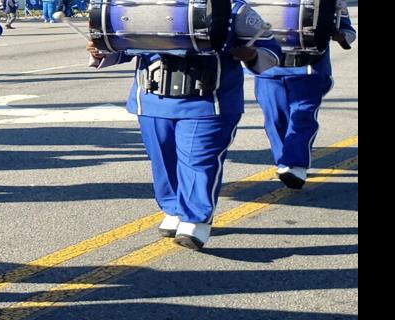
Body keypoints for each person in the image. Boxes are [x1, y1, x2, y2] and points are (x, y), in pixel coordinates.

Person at [87, 1, 282, 249]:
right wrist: (100, 51)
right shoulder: (139, 5)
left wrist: (253, 54)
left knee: (197, 159)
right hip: (152, 101)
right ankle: (173, 208)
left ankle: (195, 220)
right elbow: (124, 46)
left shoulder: (235, 10)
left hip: (208, 103)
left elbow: (271, 49)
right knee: (162, 158)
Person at [254, 0, 354, 188]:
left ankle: (295, 165)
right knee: (274, 119)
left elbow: (348, 29)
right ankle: (284, 161)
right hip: (269, 70)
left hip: (308, 69)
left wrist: (340, 36)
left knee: (302, 116)